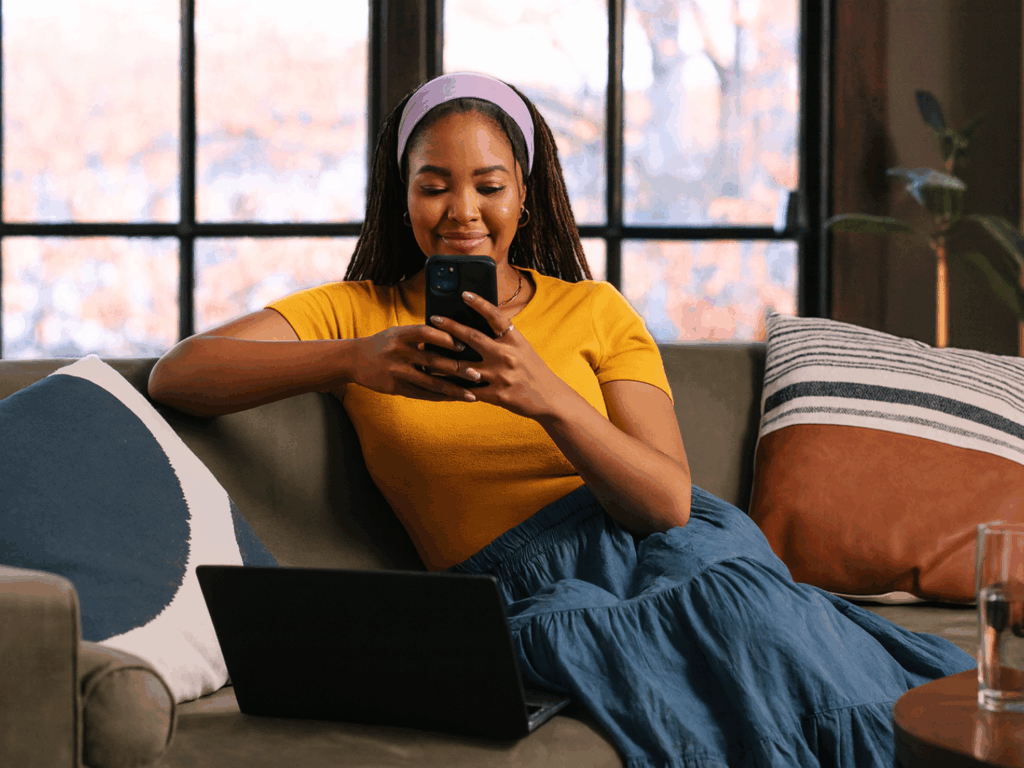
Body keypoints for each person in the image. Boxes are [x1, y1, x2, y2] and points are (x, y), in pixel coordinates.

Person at [149, 71, 974, 767]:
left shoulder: (594, 310)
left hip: (667, 544)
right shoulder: (356, 313)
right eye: (432, 184)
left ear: (526, 195)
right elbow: (179, 373)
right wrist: (355, 360)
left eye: (488, 185)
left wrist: (541, 393)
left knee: (739, 610)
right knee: (683, 647)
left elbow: (666, 504)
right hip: (521, 586)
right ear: (401, 197)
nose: (461, 210)